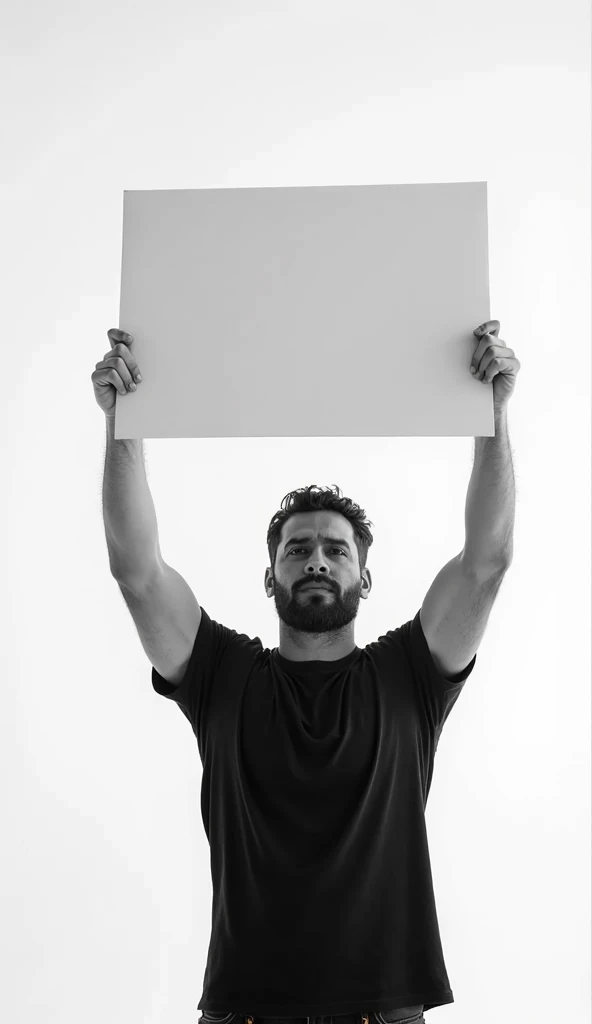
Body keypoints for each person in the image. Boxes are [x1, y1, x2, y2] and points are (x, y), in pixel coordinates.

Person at [94, 326, 515, 1024]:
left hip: (383, 1012)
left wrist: (492, 412)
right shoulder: (222, 678)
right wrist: (122, 422)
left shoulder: (407, 675)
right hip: (246, 1011)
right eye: (298, 548)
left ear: (364, 575)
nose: (317, 560)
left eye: (334, 549)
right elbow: (137, 572)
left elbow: (487, 561)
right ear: (270, 576)